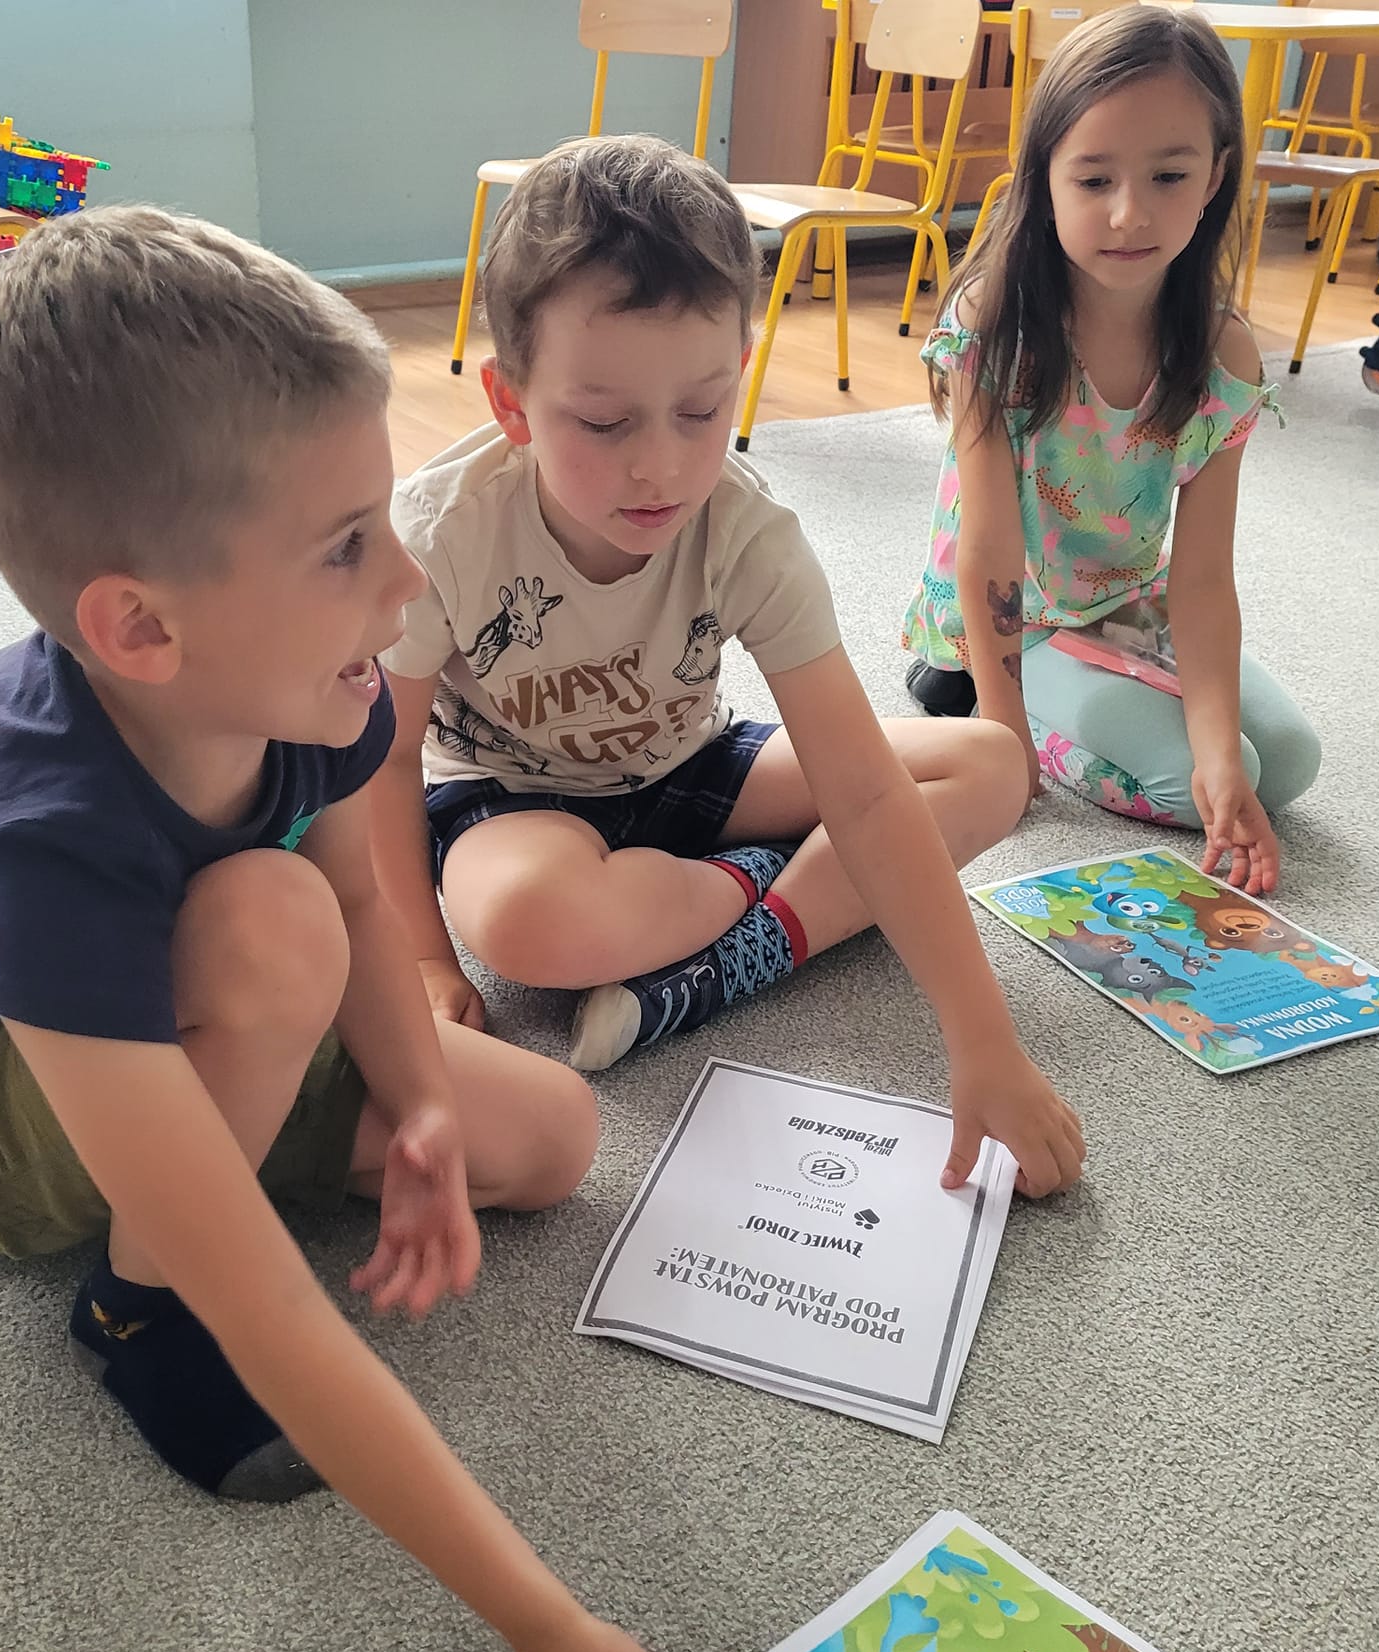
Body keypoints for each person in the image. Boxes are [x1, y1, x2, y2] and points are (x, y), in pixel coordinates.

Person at [0, 206, 727, 1652]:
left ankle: (215, 1127)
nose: (409, 582)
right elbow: (281, 1305)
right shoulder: (29, 847)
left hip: (190, 987)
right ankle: (128, 1307)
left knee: (547, 1136)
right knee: (268, 929)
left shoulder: (312, 682)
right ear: (138, 627)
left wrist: (420, 1109)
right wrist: (544, 1629)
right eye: (347, 546)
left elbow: (370, 902)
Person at [373, 137, 1084, 1198]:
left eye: (701, 412)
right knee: (529, 924)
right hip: (511, 800)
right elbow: (379, 765)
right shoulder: (440, 533)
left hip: (693, 766)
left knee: (989, 764)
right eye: (603, 421)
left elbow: (862, 785)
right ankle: (765, 879)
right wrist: (425, 956)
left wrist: (984, 1041)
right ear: (510, 402)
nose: (660, 465)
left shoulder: (748, 532)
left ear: (737, 373)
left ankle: (751, 946)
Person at [902, 4, 1321, 896]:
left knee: (1279, 763)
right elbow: (988, 550)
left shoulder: (1224, 352)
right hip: (1022, 617)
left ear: (1215, 176)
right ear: (1044, 177)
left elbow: (1202, 577)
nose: (1131, 214)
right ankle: (965, 687)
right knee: (1187, 783)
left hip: (1130, 598)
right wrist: (1004, 732)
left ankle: (1123, 704)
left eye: (1169, 175)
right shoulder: (996, 323)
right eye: (1094, 179)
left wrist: (1221, 755)